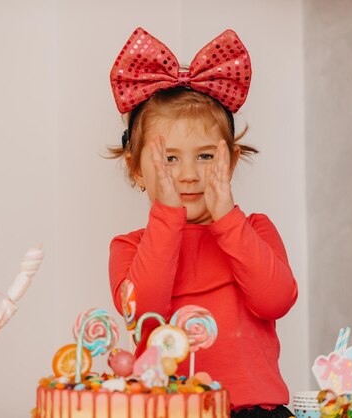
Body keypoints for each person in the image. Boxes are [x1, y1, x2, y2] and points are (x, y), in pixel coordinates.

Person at [107, 28, 298, 418]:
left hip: (254, 410)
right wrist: (167, 217)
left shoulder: (255, 229)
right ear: (137, 169)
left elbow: (275, 301)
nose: (189, 174)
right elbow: (147, 318)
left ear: (231, 158)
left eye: (206, 157)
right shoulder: (128, 248)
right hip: (168, 409)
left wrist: (228, 218)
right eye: (170, 160)